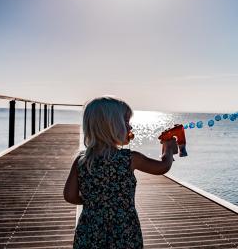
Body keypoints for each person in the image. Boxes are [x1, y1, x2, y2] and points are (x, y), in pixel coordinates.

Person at [63, 96, 177, 248]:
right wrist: (168, 149)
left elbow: (69, 196)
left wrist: (95, 202)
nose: (130, 128)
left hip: (90, 231)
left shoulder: (81, 161)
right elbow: (162, 167)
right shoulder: (130, 158)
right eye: (127, 122)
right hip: (125, 232)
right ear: (112, 126)